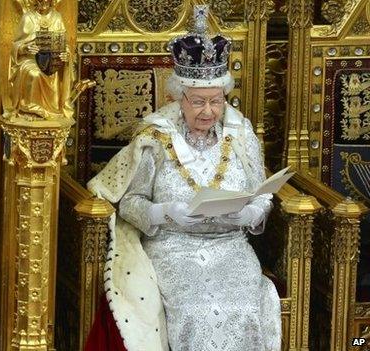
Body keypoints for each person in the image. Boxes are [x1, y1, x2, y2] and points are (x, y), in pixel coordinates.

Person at [85, 6, 281, 351]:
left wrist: (250, 214)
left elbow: (261, 194)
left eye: (216, 102)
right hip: (174, 248)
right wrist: (165, 213)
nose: (209, 111)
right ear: (179, 97)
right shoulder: (155, 137)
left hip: (230, 247)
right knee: (197, 309)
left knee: (244, 307)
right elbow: (129, 202)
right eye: (199, 102)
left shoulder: (240, 132)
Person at [8, 0, 73, 120]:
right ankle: (29, 109)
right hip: (29, 60)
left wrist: (66, 54)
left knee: (51, 73)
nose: (43, 3)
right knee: (35, 73)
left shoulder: (57, 18)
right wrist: (25, 48)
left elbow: (64, 44)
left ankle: (52, 110)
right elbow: (15, 45)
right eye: (40, 1)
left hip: (51, 60)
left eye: (46, 1)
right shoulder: (28, 17)